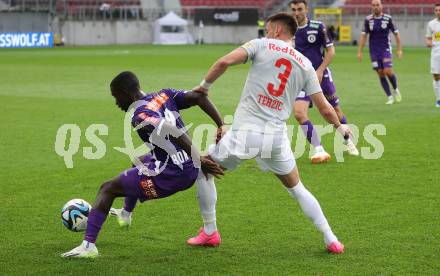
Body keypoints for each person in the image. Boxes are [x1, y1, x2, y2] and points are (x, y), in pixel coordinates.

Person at [187, 13, 347, 254]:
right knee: (297, 189)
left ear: (276, 31)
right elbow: (324, 107)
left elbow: (224, 62)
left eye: (268, 29)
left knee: (203, 170)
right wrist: (340, 127)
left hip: (245, 135)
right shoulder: (305, 64)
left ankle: (210, 232)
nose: (265, 33)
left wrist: (204, 87)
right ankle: (331, 238)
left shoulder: (261, 44)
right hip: (276, 139)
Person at [61, 71, 225, 258]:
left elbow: (171, 130)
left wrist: (200, 158)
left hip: (171, 174)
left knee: (107, 188)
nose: (116, 103)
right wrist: (220, 125)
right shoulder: (164, 95)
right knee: (138, 160)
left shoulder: (141, 116)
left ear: (125, 93)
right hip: (187, 166)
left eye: (116, 97)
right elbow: (199, 97)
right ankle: (125, 213)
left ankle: (88, 246)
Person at [289, 0, 359, 161]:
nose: (296, 13)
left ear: (306, 9)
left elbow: (331, 51)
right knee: (299, 114)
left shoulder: (318, 26)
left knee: (333, 111)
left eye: (300, 9)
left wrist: (320, 70)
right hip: (300, 79)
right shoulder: (288, 31)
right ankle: (319, 149)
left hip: (322, 76)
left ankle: (348, 141)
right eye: (293, 9)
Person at [357, 0, 402, 105]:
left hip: (385, 48)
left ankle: (395, 89)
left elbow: (396, 34)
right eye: (373, 5)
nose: (375, 7)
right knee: (380, 73)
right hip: (374, 51)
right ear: (371, 7)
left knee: (388, 71)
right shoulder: (368, 20)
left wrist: (399, 49)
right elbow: (364, 36)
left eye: (377, 5)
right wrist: (360, 51)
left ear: (382, 6)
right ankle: (389, 97)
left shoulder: (388, 18)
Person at [426, 3, 440, 108]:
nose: (438, 12)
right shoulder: (431, 24)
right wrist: (428, 43)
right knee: (436, 76)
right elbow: (428, 38)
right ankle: (438, 99)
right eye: (436, 10)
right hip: (435, 53)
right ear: (434, 12)